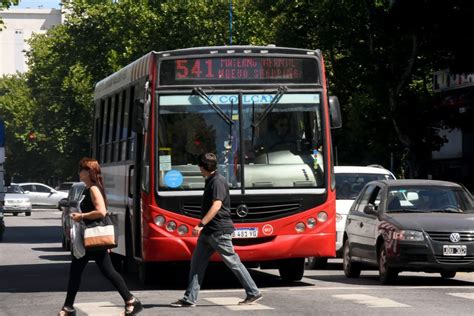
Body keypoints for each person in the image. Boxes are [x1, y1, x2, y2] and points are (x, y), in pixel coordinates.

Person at [171, 153, 262, 307]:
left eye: (199, 166)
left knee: (233, 262)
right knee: (196, 264)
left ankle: (253, 292)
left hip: (218, 230)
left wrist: (201, 224)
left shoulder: (217, 182)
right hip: (209, 232)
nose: (198, 169)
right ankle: (189, 298)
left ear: (203, 167)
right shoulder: (211, 180)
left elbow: (217, 205)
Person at [58, 158, 142, 316]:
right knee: (83, 271)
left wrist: (81, 216)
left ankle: (130, 299)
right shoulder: (88, 188)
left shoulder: (93, 189)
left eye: (81, 170)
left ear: (88, 172)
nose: (79, 173)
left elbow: (101, 212)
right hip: (88, 236)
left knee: (106, 271)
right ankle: (68, 307)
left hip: (93, 236)